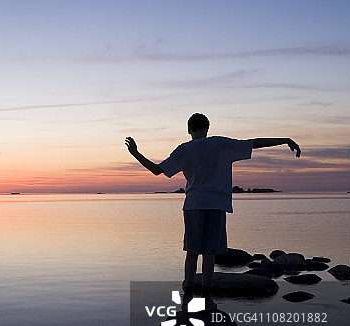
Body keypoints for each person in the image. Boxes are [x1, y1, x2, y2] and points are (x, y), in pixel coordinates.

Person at [125, 113, 300, 305]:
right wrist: (284, 140)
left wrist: (135, 153)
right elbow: (254, 143)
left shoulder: (184, 149)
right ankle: (206, 297)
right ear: (207, 128)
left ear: (189, 130)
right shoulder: (220, 144)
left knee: (192, 252)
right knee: (210, 254)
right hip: (216, 204)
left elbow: (157, 170)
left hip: (194, 205)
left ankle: (188, 297)